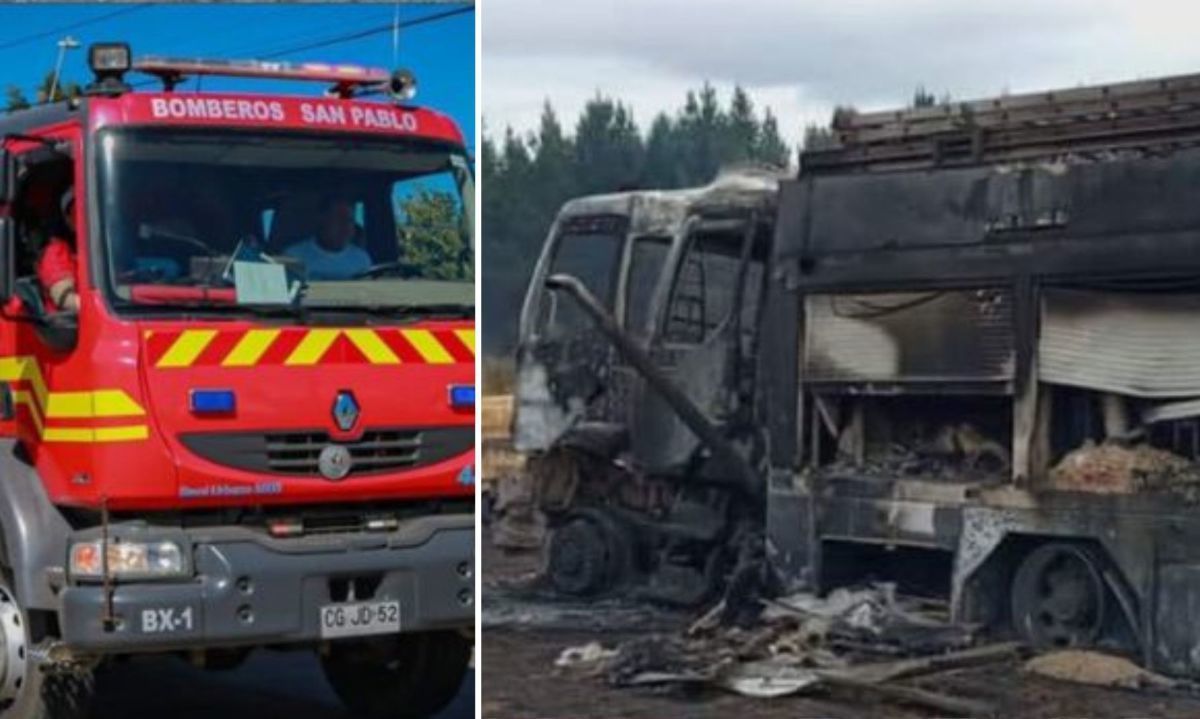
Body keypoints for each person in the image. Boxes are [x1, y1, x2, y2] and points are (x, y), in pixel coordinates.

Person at [282, 196, 371, 280]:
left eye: (349, 220)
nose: (345, 226)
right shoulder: (294, 257)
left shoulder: (361, 259)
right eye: (339, 219)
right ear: (322, 220)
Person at [37, 187, 80, 312]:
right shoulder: (56, 252)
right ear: (67, 220)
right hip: (68, 327)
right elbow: (64, 298)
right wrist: (96, 308)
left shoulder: (106, 252)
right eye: (76, 212)